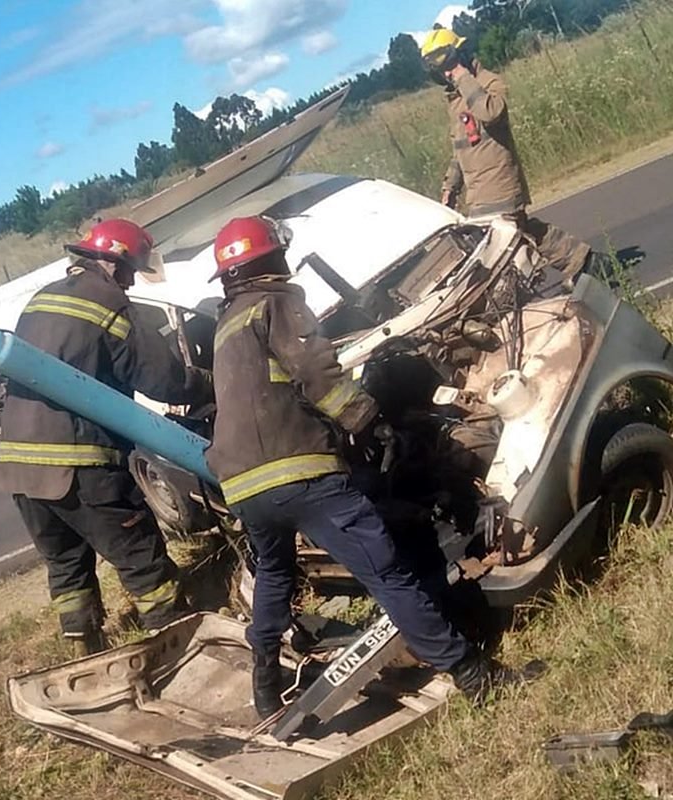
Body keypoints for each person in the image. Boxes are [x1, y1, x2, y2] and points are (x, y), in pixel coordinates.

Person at [204, 215, 525, 716]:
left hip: (243, 484)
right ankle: (472, 673)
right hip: (300, 473)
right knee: (389, 575)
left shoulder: (227, 325)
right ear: (271, 257)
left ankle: (265, 690)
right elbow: (318, 374)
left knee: (274, 574)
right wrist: (371, 421)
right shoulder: (279, 302)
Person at [0, 218, 214, 656]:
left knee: (66, 565)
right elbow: (163, 379)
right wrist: (211, 383)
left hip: (20, 469)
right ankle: (180, 642)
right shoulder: (109, 303)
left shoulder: (43, 299)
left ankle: (85, 652)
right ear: (114, 264)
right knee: (141, 559)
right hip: (79, 464)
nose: (133, 280)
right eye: (131, 269)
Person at [420, 27, 596, 279]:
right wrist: (450, 187)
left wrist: (464, 78)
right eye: (441, 70)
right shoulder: (457, 99)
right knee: (521, 231)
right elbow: (460, 149)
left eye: (449, 64)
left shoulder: (488, 83)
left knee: (499, 246)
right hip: (478, 190)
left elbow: (491, 113)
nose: (447, 73)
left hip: (499, 184)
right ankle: (585, 262)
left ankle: (530, 287)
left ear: (462, 54)